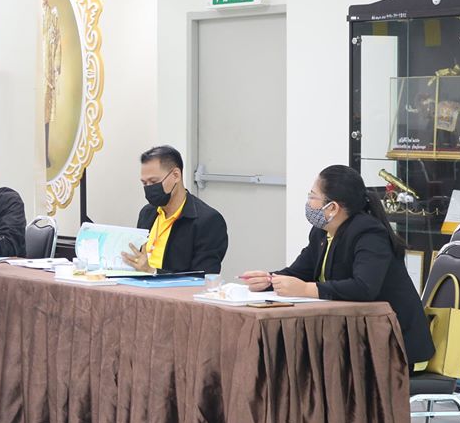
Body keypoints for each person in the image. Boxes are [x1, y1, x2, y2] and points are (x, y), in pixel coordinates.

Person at [241, 165, 435, 371]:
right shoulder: (321, 232)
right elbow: (299, 272)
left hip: (394, 345)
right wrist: (268, 280)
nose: (308, 203)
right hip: (355, 338)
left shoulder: (369, 233)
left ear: (332, 207)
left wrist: (306, 289)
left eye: (312, 196)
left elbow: (364, 288)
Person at [122, 145, 228, 274]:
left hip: (169, 287)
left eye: (154, 181)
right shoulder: (147, 213)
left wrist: (152, 271)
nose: (149, 188)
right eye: (144, 183)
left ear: (176, 175)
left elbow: (203, 278)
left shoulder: (207, 221)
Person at [42, 0, 62, 169]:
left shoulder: (53, 15)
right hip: (34, 74)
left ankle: (44, 154)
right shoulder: (30, 16)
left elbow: (58, 41)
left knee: (46, 116)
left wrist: (56, 64)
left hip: (47, 71)